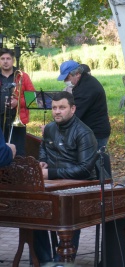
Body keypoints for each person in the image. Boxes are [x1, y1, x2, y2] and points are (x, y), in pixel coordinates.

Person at [33, 91, 98, 263]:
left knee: (68, 213)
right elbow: (43, 150)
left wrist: (50, 173)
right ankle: (47, 261)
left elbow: (84, 170)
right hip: (53, 185)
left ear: (73, 109)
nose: (57, 112)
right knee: (32, 212)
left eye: (62, 107)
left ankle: (62, 261)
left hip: (80, 187)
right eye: (54, 108)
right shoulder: (49, 129)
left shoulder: (84, 132)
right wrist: (42, 162)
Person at [57, 60, 110, 149]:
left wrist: (53, 128)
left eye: (67, 78)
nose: (65, 81)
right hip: (88, 131)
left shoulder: (86, 88)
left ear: (77, 74)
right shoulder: (83, 82)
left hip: (95, 133)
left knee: (91, 162)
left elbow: (74, 114)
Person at [0, 48, 35, 156]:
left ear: (13, 60)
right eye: (2, 59)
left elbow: (32, 99)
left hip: (18, 119)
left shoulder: (22, 76)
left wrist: (17, 102)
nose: (5, 61)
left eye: (8, 58)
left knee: (19, 152)